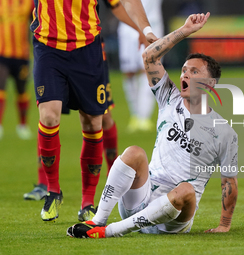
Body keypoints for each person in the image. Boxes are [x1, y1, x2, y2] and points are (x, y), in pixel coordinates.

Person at [67, 12, 239, 238]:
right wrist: (184, 31)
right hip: (141, 199)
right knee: (134, 153)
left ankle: (110, 231)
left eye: (194, 71)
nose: (185, 74)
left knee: (187, 190)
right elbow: (149, 56)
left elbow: (229, 182)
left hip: (174, 217)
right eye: (185, 70)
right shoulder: (170, 98)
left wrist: (225, 224)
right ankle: (97, 220)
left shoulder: (224, 132)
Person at [31, 0, 157, 223]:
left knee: (93, 123)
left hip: (87, 50)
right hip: (48, 47)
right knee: (49, 115)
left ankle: (87, 202)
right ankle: (52, 191)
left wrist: (144, 29)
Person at [118, 0, 164, 132]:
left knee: (148, 69)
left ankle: (144, 116)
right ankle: (135, 115)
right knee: (129, 71)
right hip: (127, 28)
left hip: (152, 25)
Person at [0, 0, 34, 140]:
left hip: (22, 55)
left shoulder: (29, 3)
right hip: (2, 54)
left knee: (22, 90)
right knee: (1, 87)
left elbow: (37, 24)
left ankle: (23, 126)